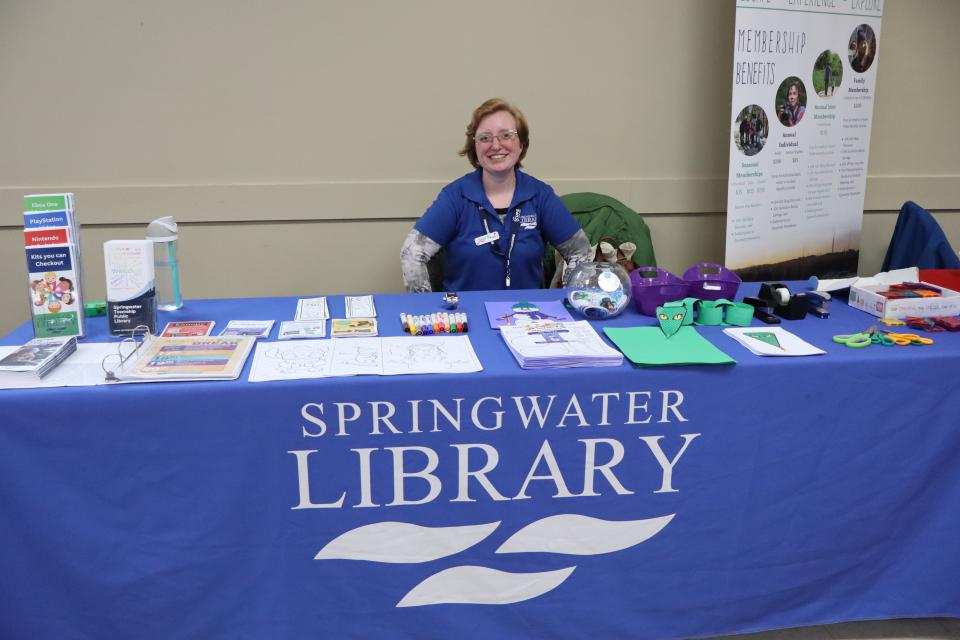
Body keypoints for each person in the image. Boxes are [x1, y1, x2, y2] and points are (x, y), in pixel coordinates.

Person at [401, 98, 591, 292]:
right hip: (468, 316)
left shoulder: (540, 195)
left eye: (506, 135)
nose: (495, 145)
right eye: (485, 138)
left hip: (527, 316)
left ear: (521, 144)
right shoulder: (455, 197)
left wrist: (568, 302)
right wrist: (427, 309)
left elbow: (581, 252)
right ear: (474, 146)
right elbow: (412, 253)